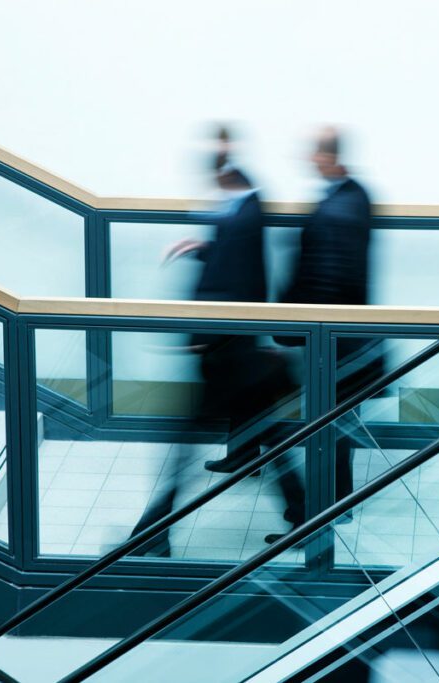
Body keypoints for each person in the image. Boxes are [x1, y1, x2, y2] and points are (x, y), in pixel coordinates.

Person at [131, 128, 291, 555]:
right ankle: (304, 515)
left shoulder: (242, 216)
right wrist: (202, 249)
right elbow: (233, 265)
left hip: (226, 353)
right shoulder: (242, 211)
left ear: (226, 174)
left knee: (186, 444)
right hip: (234, 350)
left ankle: (153, 533)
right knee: (270, 437)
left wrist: (197, 338)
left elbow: (236, 281)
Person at [266, 126, 384, 544]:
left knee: (328, 421)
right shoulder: (356, 195)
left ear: (325, 156)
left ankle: (323, 510)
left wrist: (294, 325)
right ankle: (330, 504)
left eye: (313, 154)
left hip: (332, 336)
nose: (308, 161)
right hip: (343, 335)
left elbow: (329, 277)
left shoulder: (338, 208)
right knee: (334, 421)